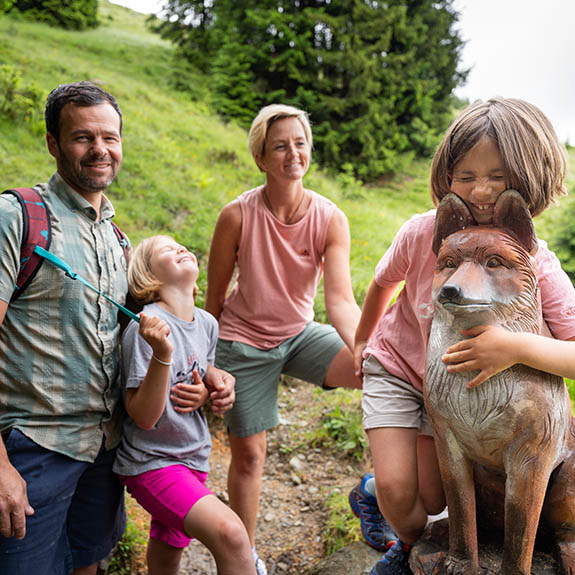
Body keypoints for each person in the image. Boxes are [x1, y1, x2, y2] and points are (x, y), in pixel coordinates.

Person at [353, 97, 575, 575]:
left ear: (528, 180)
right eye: (466, 175)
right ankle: (400, 536)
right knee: (400, 492)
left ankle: (395, 511)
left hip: (456, 390)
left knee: (436, 496)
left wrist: (514, 347)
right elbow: (381, 282)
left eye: (498, 177)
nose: (481, 191)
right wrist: (361, 339)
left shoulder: (538, 265)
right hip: (398, 369)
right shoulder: (420, 232)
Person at [206, 103, 362, 574]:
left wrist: (366, 350)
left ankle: (383, 499)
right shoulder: (236, 215)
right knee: (251, 455)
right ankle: (244, 555)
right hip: (243, 342)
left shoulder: (330, 218)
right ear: (261, 157)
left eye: (299, 143)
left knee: (373, 373)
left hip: (298, 335)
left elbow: (339, 299)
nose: (293, 153)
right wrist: (202, 360)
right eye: (280, 146)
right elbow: (212, 301)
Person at [0, 81, 128, 574]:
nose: (100, 149)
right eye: (82, 138)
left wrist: (205, 376)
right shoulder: (18, 217)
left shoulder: (118, 238)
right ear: (53, 143)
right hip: (31, 452)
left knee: (86, 564)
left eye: (110, 137)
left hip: (103, 450)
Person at [113, 235, 255, 575]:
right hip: (153, 462)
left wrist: (218, 385)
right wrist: (162, 354)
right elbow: (144, 417)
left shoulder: (207, 324)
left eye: (180, 244)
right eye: (166, 249)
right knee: (232, 535)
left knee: (167, 545)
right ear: (148, 276)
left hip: (194, 455)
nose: (179, 248)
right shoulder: (145, 329)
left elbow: (201, 367)